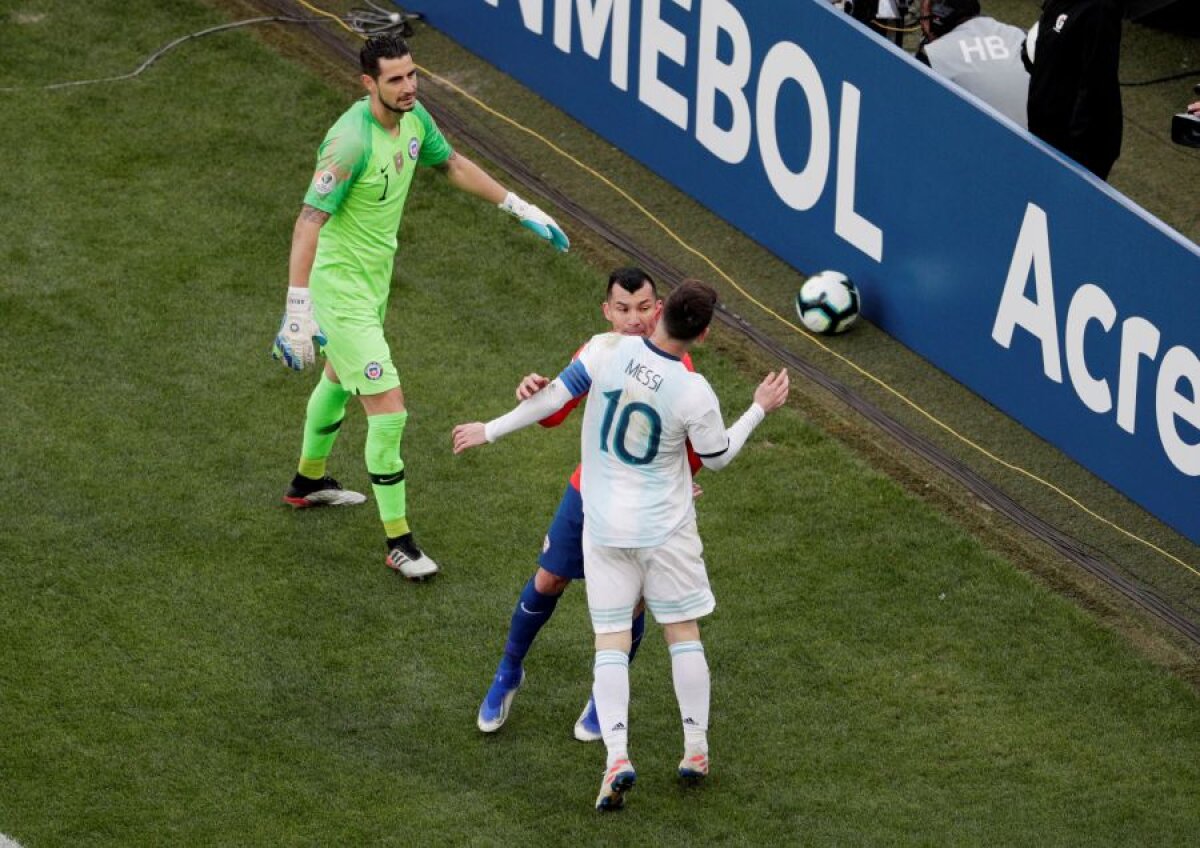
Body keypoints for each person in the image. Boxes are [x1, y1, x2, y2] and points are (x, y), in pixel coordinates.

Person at [453, 281, 790, 811]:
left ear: (660, 310)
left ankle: (616, 757)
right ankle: (695, 749)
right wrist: (758, 408)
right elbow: (718, 457)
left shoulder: (605, 349)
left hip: (605, 528)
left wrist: (489, 429)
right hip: (665, 531)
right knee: (682, 633)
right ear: (703, 333)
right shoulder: (693, 389)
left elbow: (555, 398)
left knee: (609, 641)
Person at [271, 34, 569, 581]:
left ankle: (307, 483)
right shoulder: (349, 142)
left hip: (372, 282)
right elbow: (308, 221)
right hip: (340, 290)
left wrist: (518, 206)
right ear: (369, 83)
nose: (409, 87)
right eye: (396, 79)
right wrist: (298, 307)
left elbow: (451, 163)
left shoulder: (413, 118)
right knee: (389, 409)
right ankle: (399, 542)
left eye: (412, 75)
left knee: (338, 378)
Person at [474, 267, 704, 742]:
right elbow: (556, 412)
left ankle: (605, 699)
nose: (634, 319)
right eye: (623, 309)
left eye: (644, 308)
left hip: (642, 511)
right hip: (588, 491)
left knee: (632, 605)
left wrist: (680, 483)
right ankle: (508, 670)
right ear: (607, 312)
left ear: (659, 309)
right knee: (549, 578)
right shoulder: (599, 349)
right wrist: (534, 391)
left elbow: (692, 447)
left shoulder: (681, 371)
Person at [1025, 0, 1123, 180]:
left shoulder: (1099, 11)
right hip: (1042, 136)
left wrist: (1075, 161)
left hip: (1074, 150)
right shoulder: (1058, 4)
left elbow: (1096, 90)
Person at [916, 0, 1030, 129]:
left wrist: (930, 37)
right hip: (1036, 136)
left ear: (938, 15)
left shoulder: (934, 55)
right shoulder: (1019, 35)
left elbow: (916, 110)